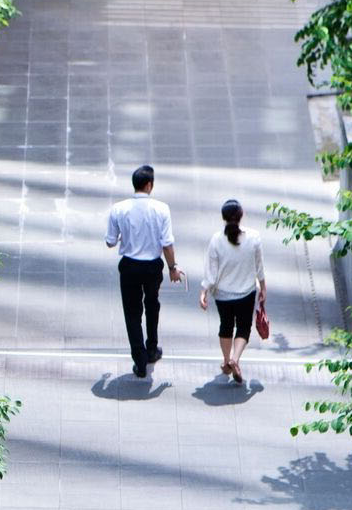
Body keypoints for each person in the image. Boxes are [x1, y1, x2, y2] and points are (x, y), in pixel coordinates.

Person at [105, 164, 183, 379]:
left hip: (129, 266)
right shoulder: (162, 209)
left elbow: (110, 242)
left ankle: (139, 361)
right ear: (149, 185)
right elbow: (167, 243)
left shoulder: (119, 209)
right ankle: (152, 349)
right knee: (152, 306)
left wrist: (126, 236)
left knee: (132, 314)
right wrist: (173, 267)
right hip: (152, 267)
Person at [197, 199, 265, 385]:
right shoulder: (254, 237)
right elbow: (259, 267)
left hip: (223, 295)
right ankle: (236, 358)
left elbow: (211, 273)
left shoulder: (216, 240)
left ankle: (227, 361)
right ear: (241, 215)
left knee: (225, 326)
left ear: (223, 217)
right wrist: (263, 287)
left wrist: (204, 292)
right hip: (246, 292)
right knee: (244, 327)